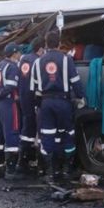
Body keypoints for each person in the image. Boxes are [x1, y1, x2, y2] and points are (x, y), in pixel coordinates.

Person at [30, 31, 85, 186]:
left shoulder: (37, 62)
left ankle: (50, 172)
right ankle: (66, 170)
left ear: (46, 43)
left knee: (47, 136)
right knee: (68, 134)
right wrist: (81, 97)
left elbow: (34, 88)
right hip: (63, 102)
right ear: (59, 42)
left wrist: (38, 104)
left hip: (46, 103)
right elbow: (75, 81)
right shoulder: (67, 59)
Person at [0, 43, 23, 180]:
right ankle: (10, 172)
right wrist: (1, 93)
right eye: (19, 52)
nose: (20, 55)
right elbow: (11, 86)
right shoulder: (12, 67)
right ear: (14, 53)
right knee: (11, 135)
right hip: (8, 104)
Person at [16, 36, 45, 176]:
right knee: (38, 130)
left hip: (22, 97)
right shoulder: (39, 61)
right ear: (40, 49)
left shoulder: (22, 59)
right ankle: (39, 164)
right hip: (34, 98)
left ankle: (23, 160)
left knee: (26, 128)